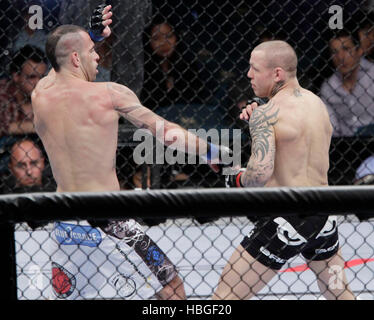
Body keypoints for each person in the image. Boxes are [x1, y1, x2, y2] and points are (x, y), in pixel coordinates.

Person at [31, 5, 230, 300]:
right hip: (109, 220)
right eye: (92, 50)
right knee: (172, 287)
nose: (98, 55)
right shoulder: (110, 93)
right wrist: (212, 151)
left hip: (65, 224)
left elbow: (57, 62)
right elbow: (166, 133)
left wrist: (91, 35)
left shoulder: (40, 95)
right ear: (76, 58)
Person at [213, 40, 355, 300]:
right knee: (339, 293)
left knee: (226, 296)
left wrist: (232, 175)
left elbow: (258, 176)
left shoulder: (266, 114)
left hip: (286, 219)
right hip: (323, 217)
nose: (248, 75)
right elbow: (296, 158)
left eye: (254, 68)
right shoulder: (318, 104)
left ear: (277, 73)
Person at [320, 29, 374, 137]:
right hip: (344, 146)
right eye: (335, 52)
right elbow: (332, 130)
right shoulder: (328, 88)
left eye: (346, 49)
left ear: (358, 50)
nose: (340, 57)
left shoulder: (372, 75)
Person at [0, 45, 47, 137]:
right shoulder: (3, 91)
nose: (38, 82)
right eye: (32, 77)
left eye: (42, 77)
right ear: (16, 76)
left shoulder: (48, 92)